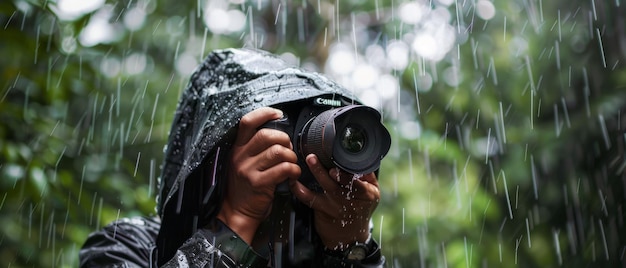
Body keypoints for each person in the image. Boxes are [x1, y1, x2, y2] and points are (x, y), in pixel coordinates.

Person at [79, 48, 388, 267]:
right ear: (211, 147)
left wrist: (351, 247)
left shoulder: (315, 254)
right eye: (272, 129)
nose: (288, 150)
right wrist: (236, 221)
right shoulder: (128, 246)